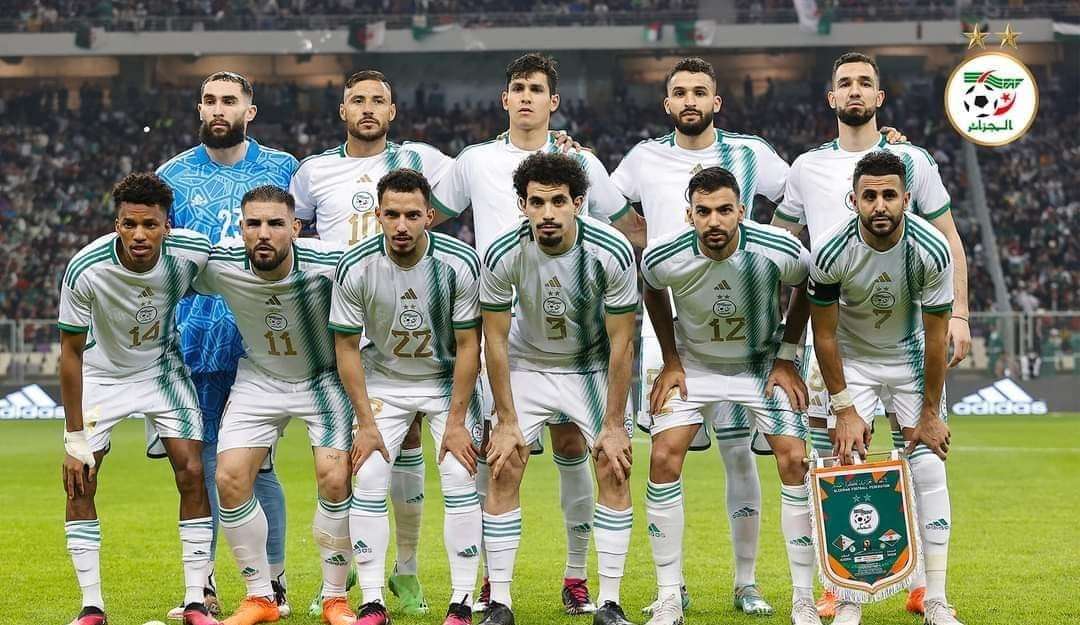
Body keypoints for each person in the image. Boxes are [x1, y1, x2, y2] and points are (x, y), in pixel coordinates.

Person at [433, 52, 642, 614]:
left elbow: (631, 229)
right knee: (500, 459)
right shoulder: (476, 161)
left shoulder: (584, 164)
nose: (526, 97)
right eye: (518, 88)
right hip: (514, 348)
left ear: (554, 101)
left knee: (592, 454)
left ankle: (586, 583)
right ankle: (495, 591)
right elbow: (423, 216)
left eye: (537, 89)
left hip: (583, 348)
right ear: (505, 98)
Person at [770, 51, 970, 619]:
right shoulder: (806, 168)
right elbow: (783, 250)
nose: (855, 90)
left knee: (927, 462)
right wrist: (783, 347)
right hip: (837, 343)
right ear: (831, 97)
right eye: (845, 83)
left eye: (865, 82)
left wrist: (960, 314)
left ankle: (929, 592)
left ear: (879, 97)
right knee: (832, 468)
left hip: (906, 345)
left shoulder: (913, 161)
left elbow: (950, 241)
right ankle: (839, 586)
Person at [610, 56, 790, 616]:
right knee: (667, 454)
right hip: (672, 330)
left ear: (717, 101)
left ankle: (746, 583)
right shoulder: (643, 157)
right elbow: (604, 206)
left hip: (742, 331)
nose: (690, 100)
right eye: (680, 92)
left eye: (700, 91)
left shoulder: (752, 152)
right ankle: (673, 590)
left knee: (739, 455)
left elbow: (802, 197)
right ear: (667, 103)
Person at [290, 68, 454, 616]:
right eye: (357, 99)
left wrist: (560, 147)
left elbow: (486, 176)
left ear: (392, 111)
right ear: (343, 110)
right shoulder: (314, 171)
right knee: (341, 459)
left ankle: (405, 571)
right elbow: (294, 232)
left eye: (377, 100)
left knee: (405, 445)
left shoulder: (422, 160)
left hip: (404, 324)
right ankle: (335, 582)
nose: (367, 108)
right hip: (337, 325)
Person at [640, 167, 822, 625]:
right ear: (689, 215)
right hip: (695, 366)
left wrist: (787, 355)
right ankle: (669, 595)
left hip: (760, 365)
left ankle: (802, 597)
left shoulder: (777, 248)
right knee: (663, 455)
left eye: (724, 210)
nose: (714, 221)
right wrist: (671, 359)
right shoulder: (664, 254)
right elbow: (652, 289)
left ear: (742, 211)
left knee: (794, 459)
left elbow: (810, 283)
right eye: (703, 212)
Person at [156, 71, 297, 618]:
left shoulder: (284, 169)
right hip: (192, 342)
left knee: (259, 468)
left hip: (261, 341)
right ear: (199, 109)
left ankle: (274, 584)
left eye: (230, 101)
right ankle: (205, 586)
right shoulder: (172, 175)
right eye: (210, 100)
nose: (219, 109)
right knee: (200, 467)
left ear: (249, 111)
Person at [477, 153, 638, 625]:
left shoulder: (611, 250)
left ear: (578, 203)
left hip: (589, 366)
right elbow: (494, 339)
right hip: (528, 364)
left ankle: (609, 602)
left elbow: (622, 342)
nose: (547, 213)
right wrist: (506, 421)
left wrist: (614, 424)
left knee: (614, 465)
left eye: (558, 202)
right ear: (523, 205)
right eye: (537, 202)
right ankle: (500, 602)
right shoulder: (502, 252)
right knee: (503, 465)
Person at [808, 151, 962, 625]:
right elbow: (824, 335)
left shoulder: (931, 248)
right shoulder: (830, 251)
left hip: (910, 360)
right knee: (847, 468)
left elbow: (936, 337)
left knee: (929, 467)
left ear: (906, 199)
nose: (880, 205)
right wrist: (844, 408)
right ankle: (847, 599)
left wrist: (930, 413)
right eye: (870, 196)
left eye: (889, 195)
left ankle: (934, 599)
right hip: (852, 360)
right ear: (853, 200)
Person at [58, 173, 218, 625]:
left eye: (150, 224)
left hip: (162, 372)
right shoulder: (86, 268)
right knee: (80, 478)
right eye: (129, 224)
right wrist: (74, 437)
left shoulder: (192, 253)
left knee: (192, 471)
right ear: (117, 224)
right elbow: (70, 353)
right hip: (102, 375)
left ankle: (195, 601)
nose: (139, 235)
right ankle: (92, 607)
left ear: (168, 226)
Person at [193, 186, 354, 625]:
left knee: (334, 477)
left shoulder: (330, 263)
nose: (264, 233)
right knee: (228, 477)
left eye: (275, 224)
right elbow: (165, 266)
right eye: (254, 224)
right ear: (241, 228)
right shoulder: (220, 264)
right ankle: (261, 597)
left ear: (296, 228)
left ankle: (335, 598)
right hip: (259, 379)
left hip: (322, 379)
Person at [330, 169, 484, 625]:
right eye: (392, 214)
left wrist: (456, 423)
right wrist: (365, 423)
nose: (401, 225)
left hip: (445, 384)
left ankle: (461, 601)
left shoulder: (460, 262)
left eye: (412, 215)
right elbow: (346, 347)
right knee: (369, 474)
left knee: (459, 475)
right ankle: (372, 600)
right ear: (377, 215)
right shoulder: (355, 265)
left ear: (429, 216)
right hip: (384, 383)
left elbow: (469, 346)